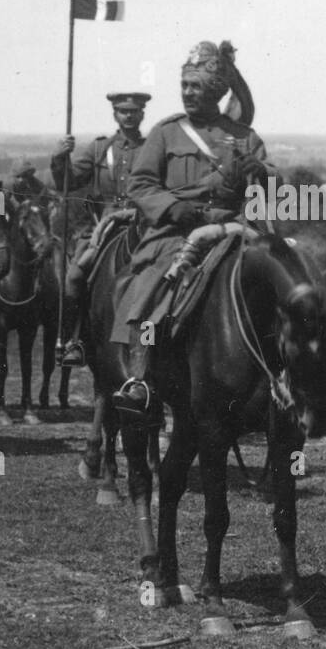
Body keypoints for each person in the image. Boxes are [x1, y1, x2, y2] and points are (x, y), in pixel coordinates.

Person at [109, 42, 266, 419]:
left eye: (196, 86)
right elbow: (141, 185)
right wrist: (172, 208)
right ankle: (140, 377)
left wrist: (257, 172)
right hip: (176, 232)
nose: (188, 92)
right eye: (185, 85)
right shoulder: (166, 133)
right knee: (150, 290)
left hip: (234, 226)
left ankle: (280, 379)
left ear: (216, 90)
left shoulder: (244, 135)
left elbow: (268, 179)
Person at [51, 92, 152, 365]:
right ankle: (75, 340)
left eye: (133, 111)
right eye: (123, 111)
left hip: (144, 223)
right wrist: (60, 158)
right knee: (74, 277)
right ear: (115, 114)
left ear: (142, 114)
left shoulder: (152, 148)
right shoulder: (98, 149)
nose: (128, 115)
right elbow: (68, 182)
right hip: (104, 226)